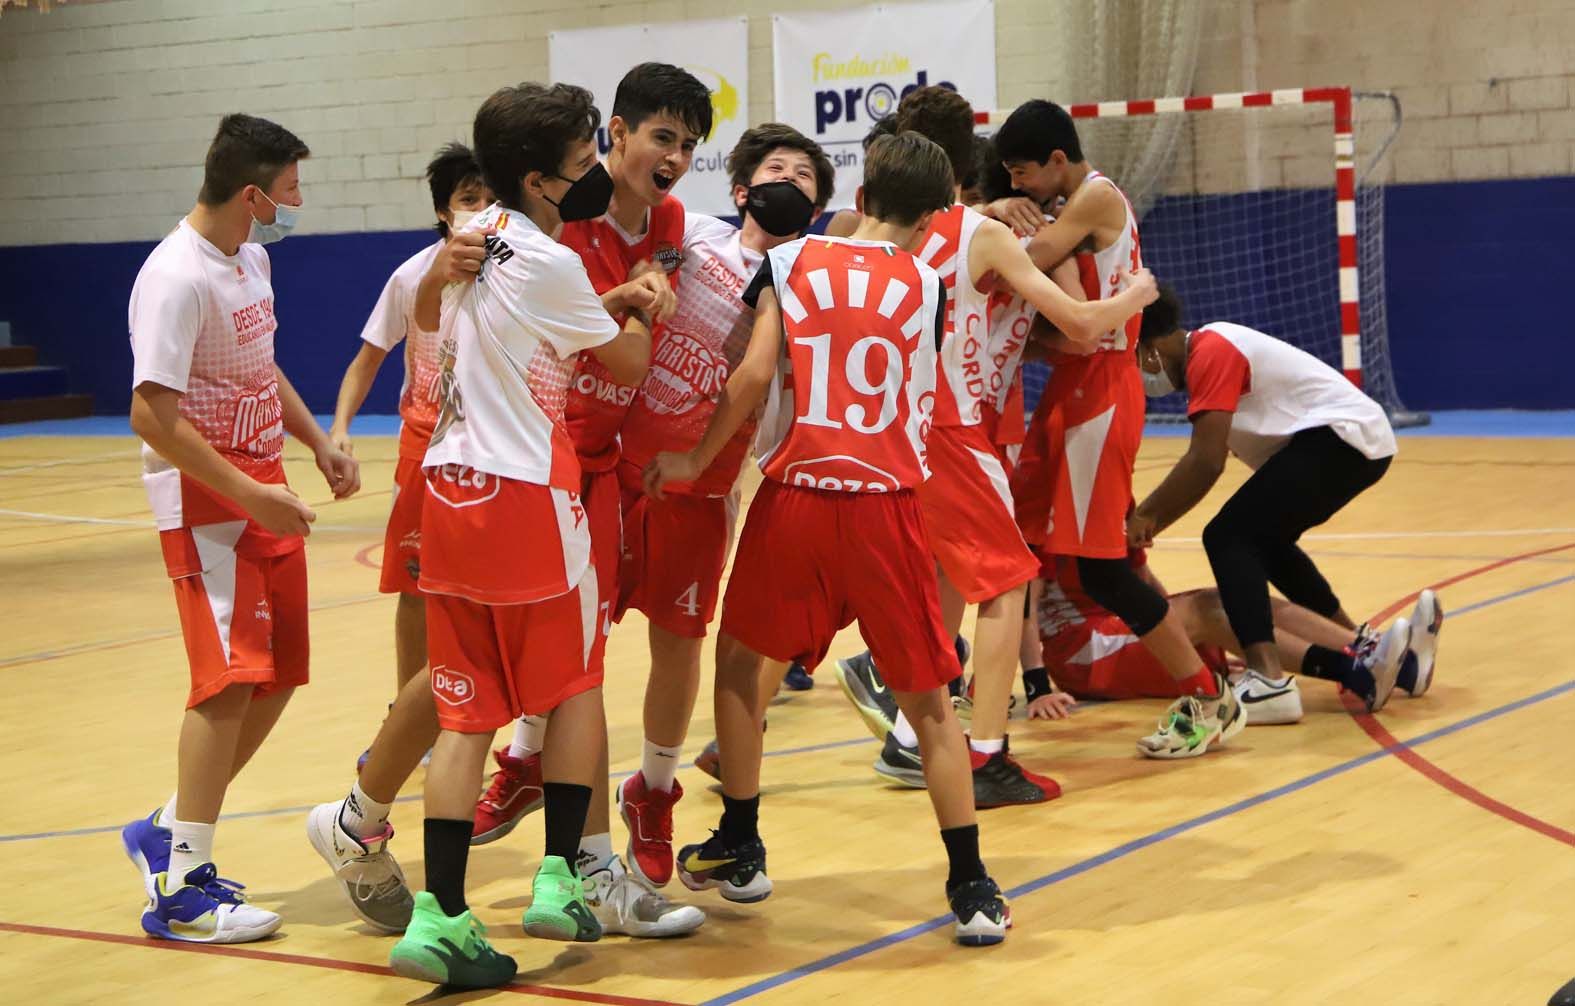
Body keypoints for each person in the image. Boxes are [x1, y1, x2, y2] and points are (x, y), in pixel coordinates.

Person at [646, 130, 1013, 945]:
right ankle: (972, 884)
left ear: (862, 189)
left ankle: (740, 841)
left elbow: (749, 377)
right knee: (928, 703)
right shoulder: (929, 281)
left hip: (800, 498)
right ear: (938, 210)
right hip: (887, 505)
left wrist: (695, 456)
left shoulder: (796, 261)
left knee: (740, 667)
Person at [377, 82, 669, 989]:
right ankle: (559, 878)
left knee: (466, 713)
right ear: (541, 178)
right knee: (576, 682)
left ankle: (439, 918)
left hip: (449, 490)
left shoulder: (464, 240)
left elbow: (429, 323)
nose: (591, 175)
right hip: (524, 494)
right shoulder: (547, 257)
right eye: (583, 164)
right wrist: (642, 307)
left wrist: (594, 296)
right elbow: (620, 361)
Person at [832, 86, 1157, 805]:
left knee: (940, 579)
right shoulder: (983, 231)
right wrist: (1136, 295)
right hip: (952, 421)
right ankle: (985, 754)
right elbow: (1073, 320)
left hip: (878, 428)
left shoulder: (859, 234)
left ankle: (906, 736)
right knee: (1007, 581)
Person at [473, 64, 710, 899]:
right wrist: (628, 302)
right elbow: (523, 305)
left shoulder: (676, 219)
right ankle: (520, 776)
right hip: (546, 455)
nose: (674, 156)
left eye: (687, 144)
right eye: (661, 137)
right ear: (613, 135)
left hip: (626, 457)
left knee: (642, 634)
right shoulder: (558, 218)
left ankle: (632, 790)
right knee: (559, 649)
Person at [122, 113, 359, 944]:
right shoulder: (175, 276)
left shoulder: (250, 258)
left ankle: (166, 828)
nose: (300, 202)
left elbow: (260, 367)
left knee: (280, 674)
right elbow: (151, 414)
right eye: (291, 189)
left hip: (260, 488)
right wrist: (248, 495)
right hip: (205, 503)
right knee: (226, 682)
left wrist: (316, 441)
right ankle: (180, 891)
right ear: (254, 194)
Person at [612, 119, 837, 864]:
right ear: (741, 188)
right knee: (574, 635)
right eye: (777, 169)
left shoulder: (809, 281)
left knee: (678, 648)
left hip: (703, 486)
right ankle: (525, 756)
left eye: (805, 178)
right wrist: (648, 277)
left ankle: (653, 787)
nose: (790, 181)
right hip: (613, 466)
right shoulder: (692, 236)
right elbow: (648, 261)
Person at [996, 98, 1246, 759]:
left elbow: (1021, 261)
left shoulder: (1097, 198)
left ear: (1056, 160)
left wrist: (988, 218)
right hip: (1073, 386)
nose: (1017, 188)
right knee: (1012, 544)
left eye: (1021, 175)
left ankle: (1203, 696)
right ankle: (990, 685)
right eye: (1006, 180)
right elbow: (1060, 326)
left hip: (1101, 395)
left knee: (1103, 569)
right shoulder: (1067, 206)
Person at [1127, 287, 1414, 713]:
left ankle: (1267, 680)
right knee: (1266, 542)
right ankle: (1373, 651)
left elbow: (1205, 463)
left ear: (1150, 350)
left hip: (1340, 439)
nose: (1139, 373)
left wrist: (1146, 517)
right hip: (1354, 442)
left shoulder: (1212, 351)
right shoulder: (1209, 359)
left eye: (1134, 360)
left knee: (1227, 536)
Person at [327, 144, 492, 769]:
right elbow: (366, 359)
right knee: (417, 592)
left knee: (486, 597)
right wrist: (340, 427)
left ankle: (478, 719)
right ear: (444, 213)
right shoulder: (412, 276)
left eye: (488, 198)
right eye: (467, 201)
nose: (480, 211)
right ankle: (408, 716)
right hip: (425, 448)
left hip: (493, 449)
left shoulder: (518, 271)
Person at [1028, 551, 1439, 723]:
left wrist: (1181, 639)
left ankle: (1389, 660)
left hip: (1121, 632)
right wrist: (1036, 689)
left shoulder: (1107, 489)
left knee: (1233, 600)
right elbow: (1021, 605)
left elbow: (1143, 583)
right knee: (1209, 611)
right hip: (1083, 653)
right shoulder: (1045, 504)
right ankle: (1356, 671)